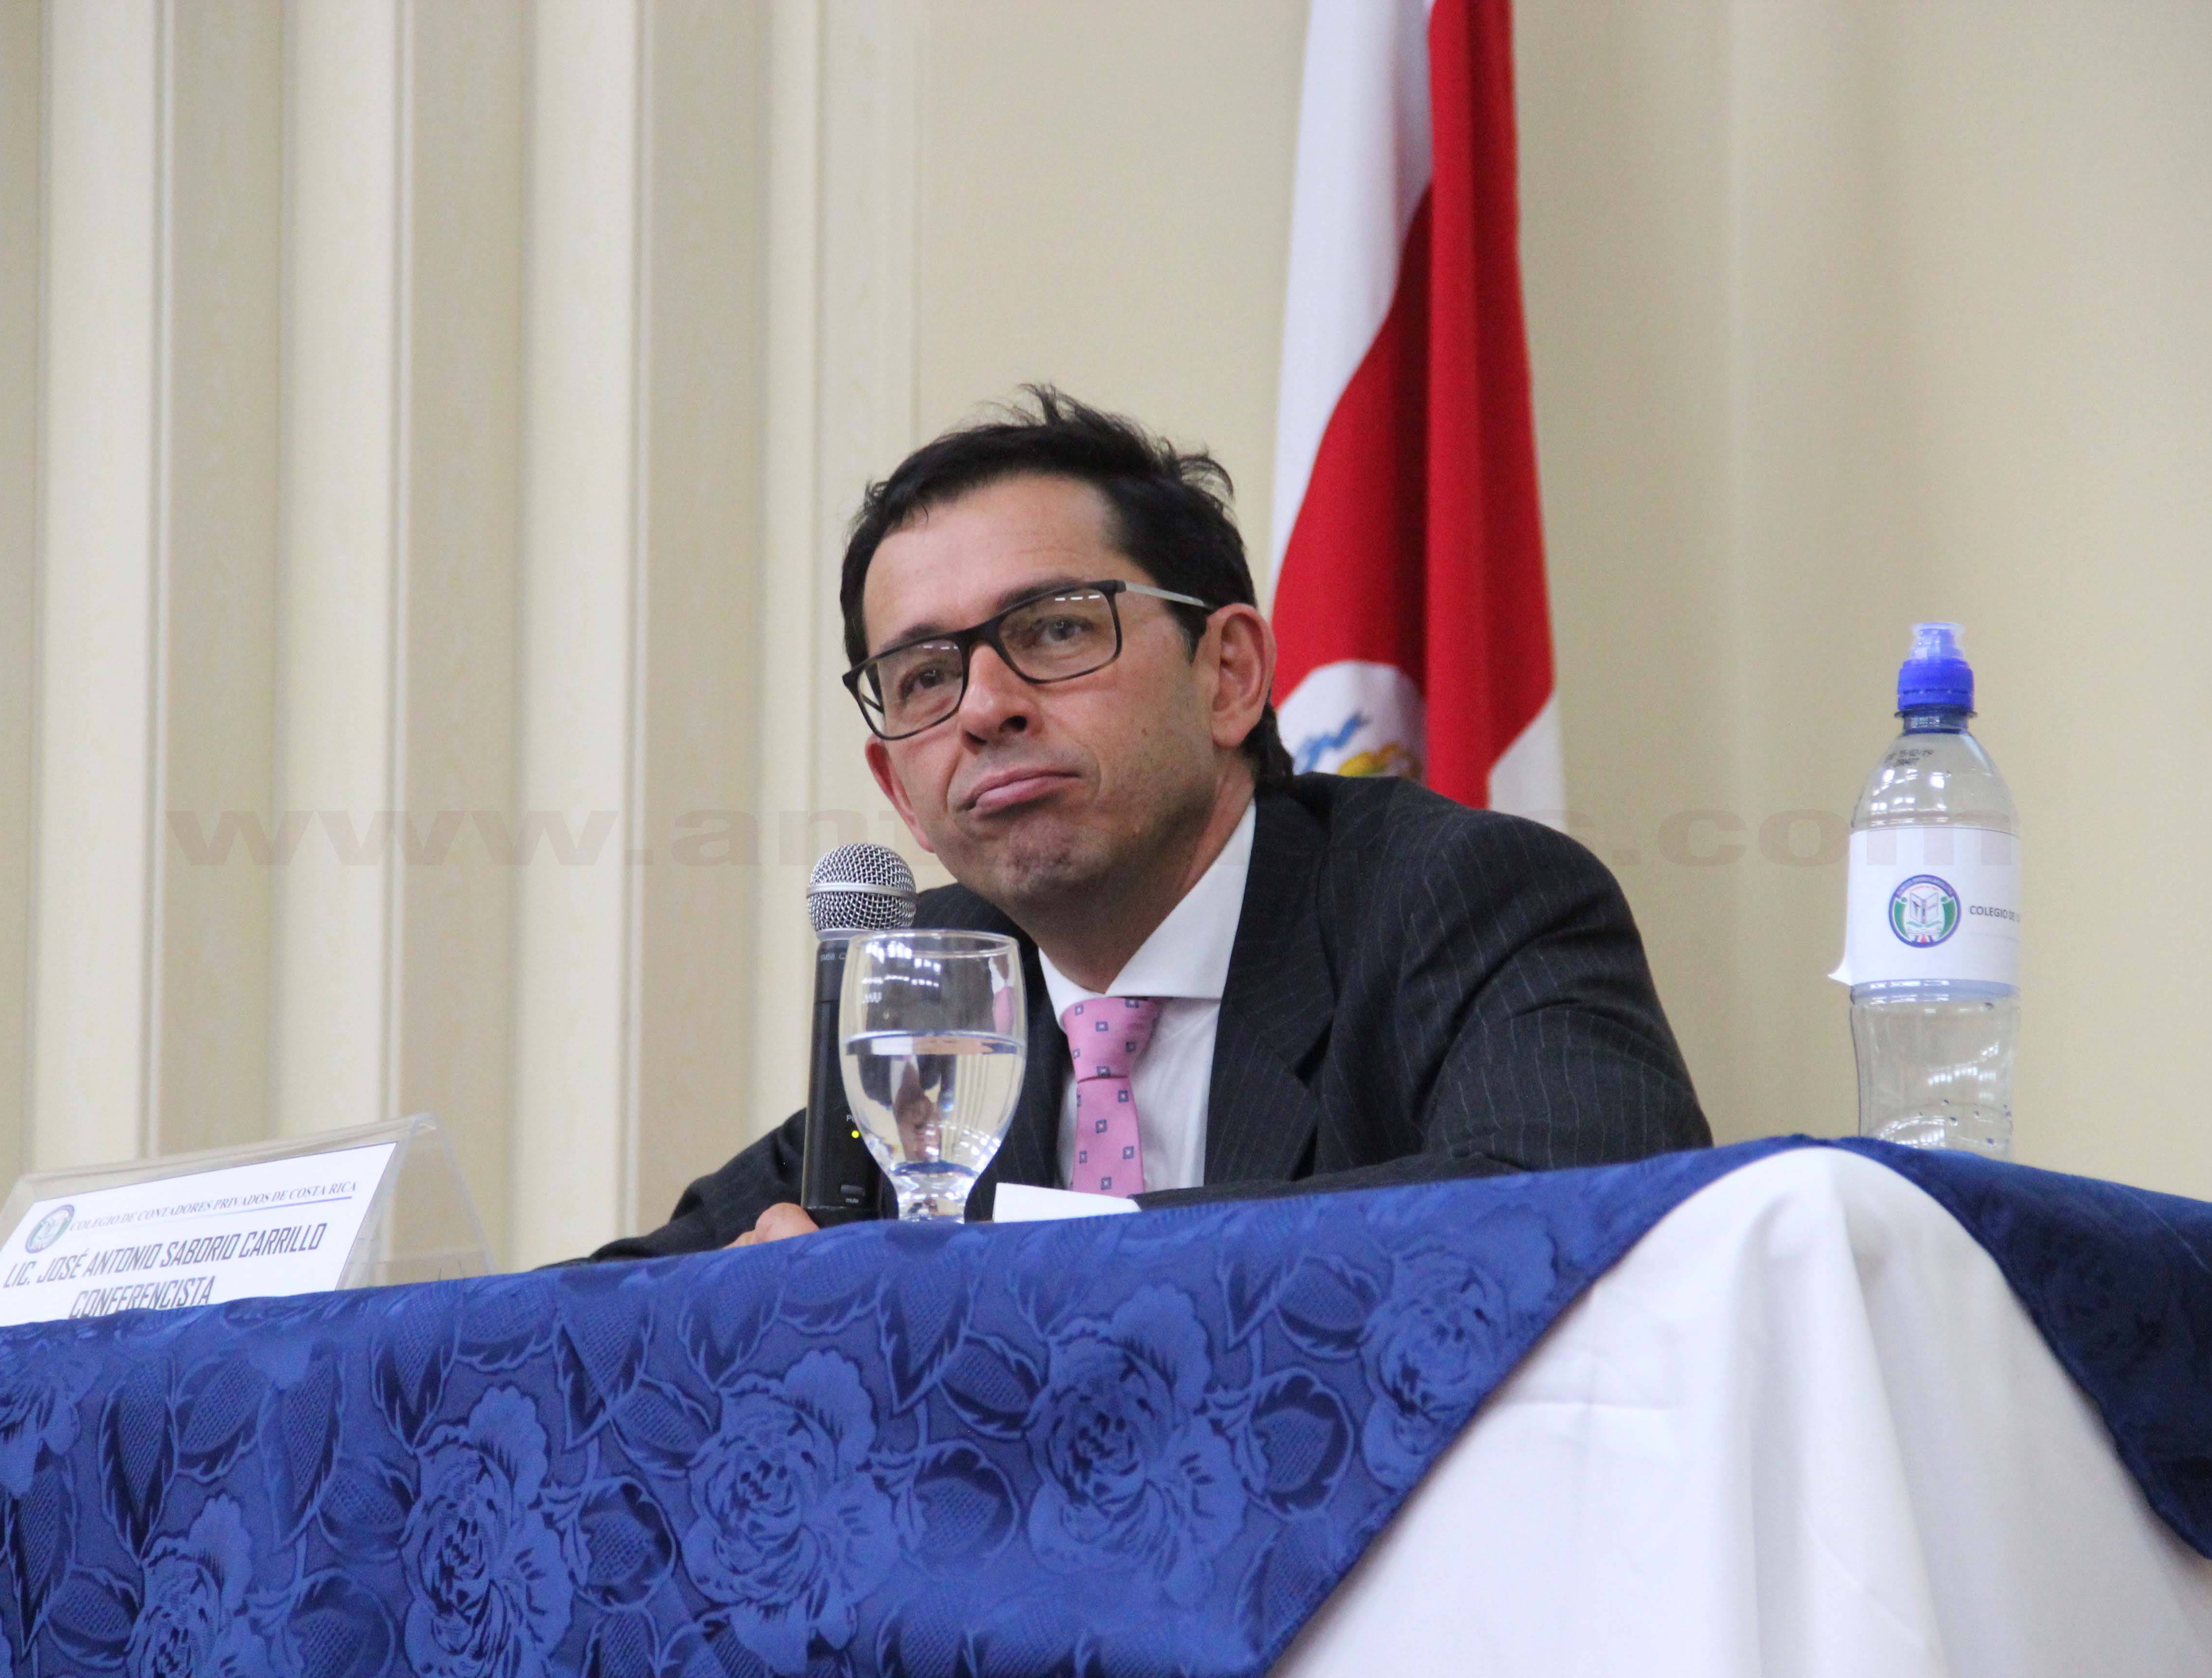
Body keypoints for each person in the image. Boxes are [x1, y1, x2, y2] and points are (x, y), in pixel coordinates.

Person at [594, 389, 1707, 1260]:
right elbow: (592, 1312)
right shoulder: (930, 988)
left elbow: (1589, 1214)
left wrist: (973, 1273)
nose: (984, 708)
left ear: (1229, 677)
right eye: (926, 675)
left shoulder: (1458, 901)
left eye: (1057, 630)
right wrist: (734, 1302)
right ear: (900, 792)